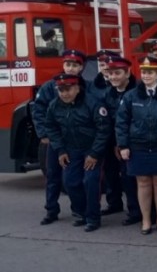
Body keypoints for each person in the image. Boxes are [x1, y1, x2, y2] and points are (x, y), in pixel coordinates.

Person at [116, 56, 157, 235]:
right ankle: (146, 219)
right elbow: (122, 122)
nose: (146, 76)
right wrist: (123, 145)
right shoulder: (131, 96)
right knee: (143, 182)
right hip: (138, 145)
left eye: (151, 72)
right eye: (144, 72)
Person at [43, 74, 111, 232]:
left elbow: (103, 129)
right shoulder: (54, 105)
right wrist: (60, 150)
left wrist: (94, 153)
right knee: (70, 182)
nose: (64, 93)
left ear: (77, 88)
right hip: (71, 150)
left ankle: (93, 217)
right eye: (61, 90)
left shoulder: (92, 103)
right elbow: (51, 127)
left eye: (68, 89)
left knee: (90, 181)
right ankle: (81, 213)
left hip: (91, 149)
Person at [32, 49, 86, 225]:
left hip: (77, 141)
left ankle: (78, 211)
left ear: (81, 67)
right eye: (67, 64)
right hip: (55, 140)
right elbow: (38, 110)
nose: (70, 68)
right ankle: (51, 210)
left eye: (75, 65)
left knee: (73, 179)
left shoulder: (85, 86)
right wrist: (44, 134)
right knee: (53, 176)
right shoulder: (50, 86)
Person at [101, 57, 141, 226]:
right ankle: (114, 203)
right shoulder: (107, 93)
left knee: (129, 177)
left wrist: (123, 143)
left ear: (128, 73)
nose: (114, 77)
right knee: (110, 174)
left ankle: (135, 211)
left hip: (130, 142)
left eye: (117, 73)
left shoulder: (138, 91)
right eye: (110, 74)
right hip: (110, 141)